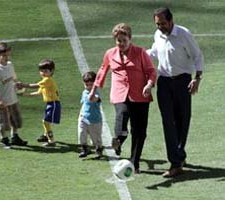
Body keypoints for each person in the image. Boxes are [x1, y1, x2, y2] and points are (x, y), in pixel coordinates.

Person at [89, 23, 157, 173]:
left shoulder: (140, 53)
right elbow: (102, 71)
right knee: (122, 114)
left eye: (124, 41)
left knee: (139, 130)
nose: (121, 44)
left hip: (140, 95)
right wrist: (93, 90)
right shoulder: (110, 54)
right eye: (118, 41)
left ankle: (135, 162)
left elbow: (151, 71)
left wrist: (149, 84)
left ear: (130, 39)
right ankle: (118, 139)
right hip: (120, 93)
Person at [147, 7, 204, 177]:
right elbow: (154, 53)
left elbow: (197, 56)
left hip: (183, 81)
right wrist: (138, 55)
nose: (160, 27)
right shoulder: (158, 35)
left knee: (182, 120)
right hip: (164, 82)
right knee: (168, 122)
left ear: (171, 20)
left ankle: (179, 155)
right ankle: (175, 163)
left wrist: (197, 78)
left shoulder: (184, 34)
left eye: (163, 23)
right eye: (158, 24)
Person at [0, 42, 28, 148]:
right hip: (3, 101)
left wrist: (18, 84)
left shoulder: (10, 65)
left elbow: (14, 78)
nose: (7, 57)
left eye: (8, 55)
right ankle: (3, 139)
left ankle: (14, 137)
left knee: (16, 120)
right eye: (4, 56)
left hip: (13, 98)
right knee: (3, 122)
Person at [19, 59, 61, 147]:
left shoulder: (47, 80)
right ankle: (46, 135)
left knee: (46, 121)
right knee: (45, 121)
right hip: (50, 104)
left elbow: (35, 86)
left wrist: (23, 85)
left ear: (51, 71)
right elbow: (38, 92)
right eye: (41, 71)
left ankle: (51, 140)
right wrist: (25, 95)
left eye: (45, 71)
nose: (43, 73)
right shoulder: (45, 83)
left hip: (53, 104)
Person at [78, 71, 103, 159]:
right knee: (81, 134)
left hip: (95, 120)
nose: (88, 87)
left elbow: (93, 98)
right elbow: (83, 103)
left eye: (91, 85)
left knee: (95, 138)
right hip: (83, 118)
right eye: (86, 84)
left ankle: (98, 149)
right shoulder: (84, 92)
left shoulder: (96, 93)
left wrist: (93, 92)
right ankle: (85, 149)